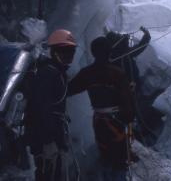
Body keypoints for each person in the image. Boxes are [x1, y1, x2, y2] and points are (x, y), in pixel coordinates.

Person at [68, 36, 138, 181]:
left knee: (105, 154)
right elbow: (127, 104)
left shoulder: (86, 73)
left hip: (99, 122)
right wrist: (129, 119)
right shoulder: (117, 73)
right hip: (116, 122)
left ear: (93, 52)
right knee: (119, 160)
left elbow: (69, 89)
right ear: (109, 52)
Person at [24, 29, 77, 181]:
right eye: (65, 51)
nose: (70, 56)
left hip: (51, 136)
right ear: (54, 52)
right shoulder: (48, 73)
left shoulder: (56, 72)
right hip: (44, 139)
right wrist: (50, 141)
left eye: (71, 51)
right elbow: (41, 109)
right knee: (47, 174)